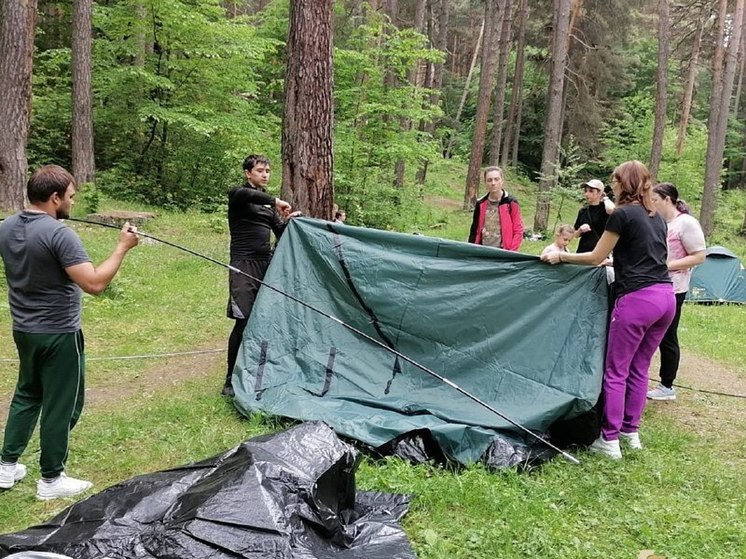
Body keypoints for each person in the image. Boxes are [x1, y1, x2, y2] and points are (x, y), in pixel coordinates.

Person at [0, 164, 139, 499]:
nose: (73, 204)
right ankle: (51, 480)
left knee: (28, 394)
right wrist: (122, 247)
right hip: (59, 333)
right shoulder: (59, 234)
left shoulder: (6, 227)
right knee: (61, 404)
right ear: (54, 197)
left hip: (24, 329)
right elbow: (94, 283)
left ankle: (6, 467)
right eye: (71, 198)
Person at [541, 160, 676, 459]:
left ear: (623, 183)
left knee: (616, 371)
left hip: (638, 300)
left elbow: (593, 256)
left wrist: (561, 257)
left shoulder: (623, 215)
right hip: (665, 299)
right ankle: (631, 432)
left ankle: (610, 440)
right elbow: (648, 257)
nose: (611, 185)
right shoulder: (656, 217)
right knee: (640, 368)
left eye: (614, 180)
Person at [224, 154, 300, 397]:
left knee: (265, 320)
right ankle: (229, 380)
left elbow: (279, 232)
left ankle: (260, 370)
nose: (265, 174)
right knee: (243, 321)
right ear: (248, 173)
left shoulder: (268, 207)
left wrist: (289, 222)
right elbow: (245, 195)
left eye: (267, 170)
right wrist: (276, 200)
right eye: (260, 170)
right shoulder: (239, 196)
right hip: (243, 266)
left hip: (265, 266)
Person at [647, 183, 706, 401]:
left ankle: (667, 385)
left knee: (667, 335)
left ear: (667, 199)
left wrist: (666, 266)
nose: (651, 203)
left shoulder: (686, 223)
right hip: (654, 284)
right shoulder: (660, 222)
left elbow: (699, 256)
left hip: (675, 288)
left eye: (655, 199)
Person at [468, 166, 524, 251]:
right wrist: (470, 250)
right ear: (485, 182)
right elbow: (474, 230)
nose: (493, 183)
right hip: (483, 251)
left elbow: (518, 230)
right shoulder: (480, 203)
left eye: (496, 179)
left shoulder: (511, 202)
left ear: (502, 181)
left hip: (504, 252)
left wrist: (511, 252)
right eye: (489, 180)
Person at [574, 179, 615, 253]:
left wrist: (605, 198)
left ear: (600, 193)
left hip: (600, 252)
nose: (586, 194)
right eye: (585, 191)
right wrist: (580, 230)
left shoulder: (605, 210)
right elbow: (575, 235)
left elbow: (613, 210)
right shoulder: (583, 211)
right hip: (582, 251)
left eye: (591, 191)